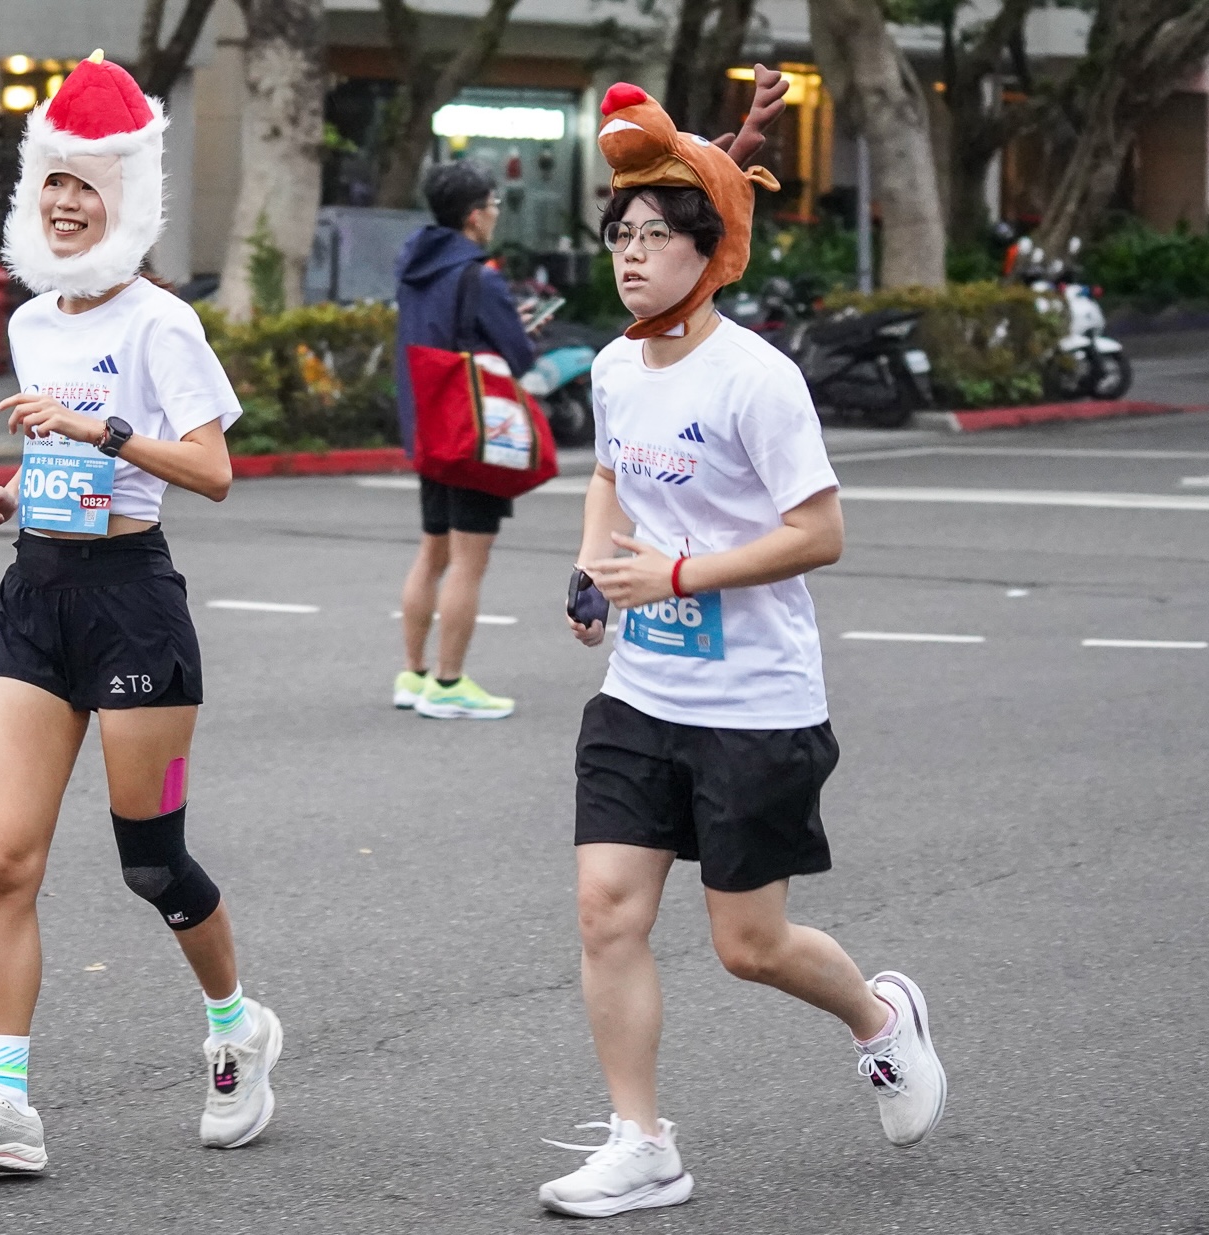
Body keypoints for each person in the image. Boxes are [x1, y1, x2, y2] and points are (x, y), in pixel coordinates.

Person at [538, 83, 946, 1219]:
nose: (630, 254)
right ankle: (642, 1142)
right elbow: (609, 474)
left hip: (754, 703)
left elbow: (820, 532)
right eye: (619, 233)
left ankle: (880, 1019)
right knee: (606, 909)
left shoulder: (757, 377)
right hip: (639, 692)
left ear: (708, 251)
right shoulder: (615, 367)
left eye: (654, 234)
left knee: (749, 943)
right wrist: (592, 568)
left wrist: (676, 575)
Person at [0, 51, 281, 1174]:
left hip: (134, 610)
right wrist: (10, 492)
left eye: (88, 186)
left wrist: (99, 428)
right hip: (38, 597)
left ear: (127, 201)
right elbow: (53, 461)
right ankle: (6, 1104)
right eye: (54, 181)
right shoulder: (32, 321)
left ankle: (236, 1026)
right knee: (2, 859)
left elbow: (211, 471)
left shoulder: (162, 323)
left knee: (151, 862)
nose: (67, 203)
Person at [392, 161, 536, 720]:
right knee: (469, 562)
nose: (496, 215)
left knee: (433, 552)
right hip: (473, 436)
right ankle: (449, 683)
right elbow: (518, 356)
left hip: (428, 427)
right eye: (494, 205)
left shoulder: (414, 267)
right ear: (474, 216)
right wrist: (518, 328)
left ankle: (414, 674)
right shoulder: (480, 276)